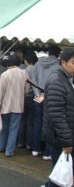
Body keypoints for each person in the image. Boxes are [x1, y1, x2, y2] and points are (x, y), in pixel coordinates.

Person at [42, 48, 74, 187]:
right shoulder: (57, 80)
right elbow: (57, 115)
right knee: (60, 175)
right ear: (63, 62)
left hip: (61, 136)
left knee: (61, 173)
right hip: (60, 139)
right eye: (73, 62)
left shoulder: (65, 79)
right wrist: (66, 142)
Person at [0, 54, 30, 157]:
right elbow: (26, 90)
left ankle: (1, 147)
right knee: (14, 129)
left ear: (9, 63)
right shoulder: (24, 74)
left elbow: (0, 92)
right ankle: (9, 151)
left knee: (4, 127)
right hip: (18, 106)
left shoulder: (4, 75)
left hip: (5, 105)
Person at [31, 45, 61, 159]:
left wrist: (37, 93)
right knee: (49, 125)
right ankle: (47, 153)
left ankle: (35, 149)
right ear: (58, 54)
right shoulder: (59, 65)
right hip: (51, 97)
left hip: (38, 97)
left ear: (48, 53)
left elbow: (33, 80)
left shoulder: (38, 64)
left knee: (37, 122)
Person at [17, 51, 38, 150]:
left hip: (25, 97)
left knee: (22, 120)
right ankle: (29, 144)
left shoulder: (25, 70)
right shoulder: (37, 69)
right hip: (34, 97)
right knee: (31, 122)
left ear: (26, 60)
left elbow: (23, 85)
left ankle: (21, 142)